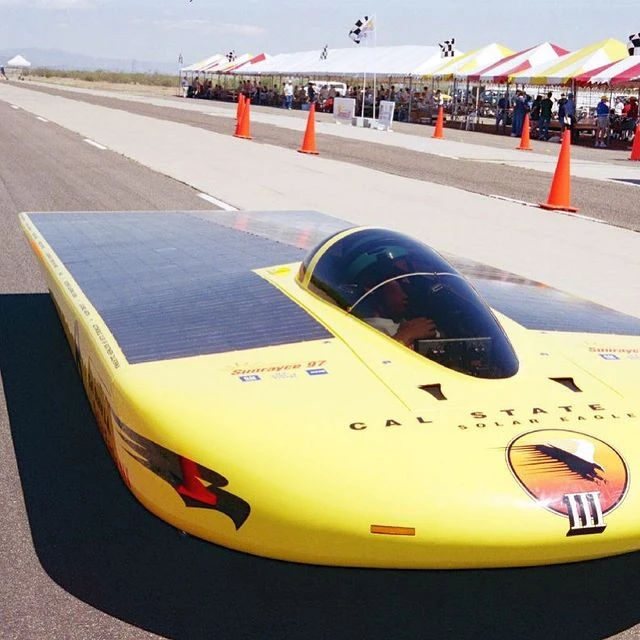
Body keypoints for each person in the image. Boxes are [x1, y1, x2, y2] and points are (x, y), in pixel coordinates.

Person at [361, 277, 438, 347]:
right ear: (373, 289)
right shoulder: (362, 328)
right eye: (400, 286)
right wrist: (406, 335)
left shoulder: (414, 324)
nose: (406, 295)